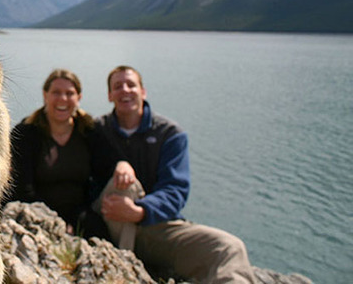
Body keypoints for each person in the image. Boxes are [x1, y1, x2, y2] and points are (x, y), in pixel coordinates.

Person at [94, 65, 256, 283]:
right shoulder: (97, 130)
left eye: (131, 85)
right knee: (125, 185)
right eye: (117, 86)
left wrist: (140, 211)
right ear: (109, 95)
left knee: (229, 248)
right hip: (108, 221)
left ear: (143, 91)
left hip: (154, 228)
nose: (125, 90)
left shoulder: (169, 134)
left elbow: (175, 190)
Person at [8, 69, 111, 238]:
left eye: (69, 93)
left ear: (79, 98)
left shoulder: (89, 130)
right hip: (33, 210)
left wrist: (123, 165)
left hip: (79, 212)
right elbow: (21, 188)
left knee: (99, 234)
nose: (63, 99)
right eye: (56, 92)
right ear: (45, 95)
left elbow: (108, 165)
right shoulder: (26, 133)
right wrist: (54, 222)